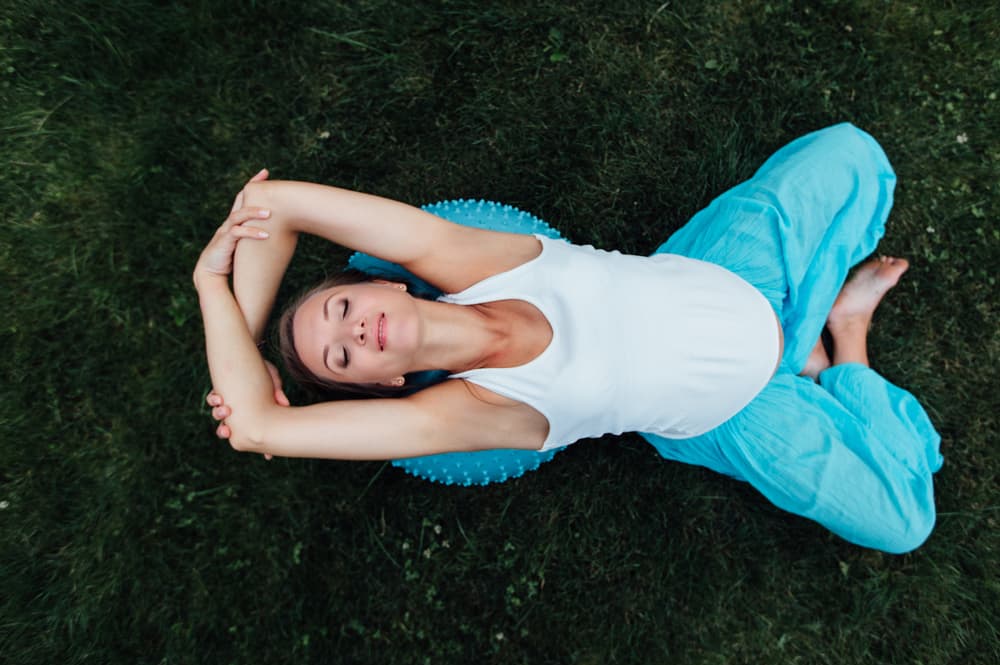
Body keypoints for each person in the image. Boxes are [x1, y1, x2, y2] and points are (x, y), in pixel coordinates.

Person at [194, 123, 942, 553]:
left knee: (854, 152)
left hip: (729, 270)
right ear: (382, 383)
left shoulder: (464, 258)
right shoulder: (461, 415)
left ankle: (801, 342)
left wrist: (253, 347)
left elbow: (272, 205)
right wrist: (208, 289)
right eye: (342, 355)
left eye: (341, 307)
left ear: (387, 286)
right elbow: (258, 427)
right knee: (903, 522)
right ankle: (844, 337)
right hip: (741, 412)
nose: (353, 328)